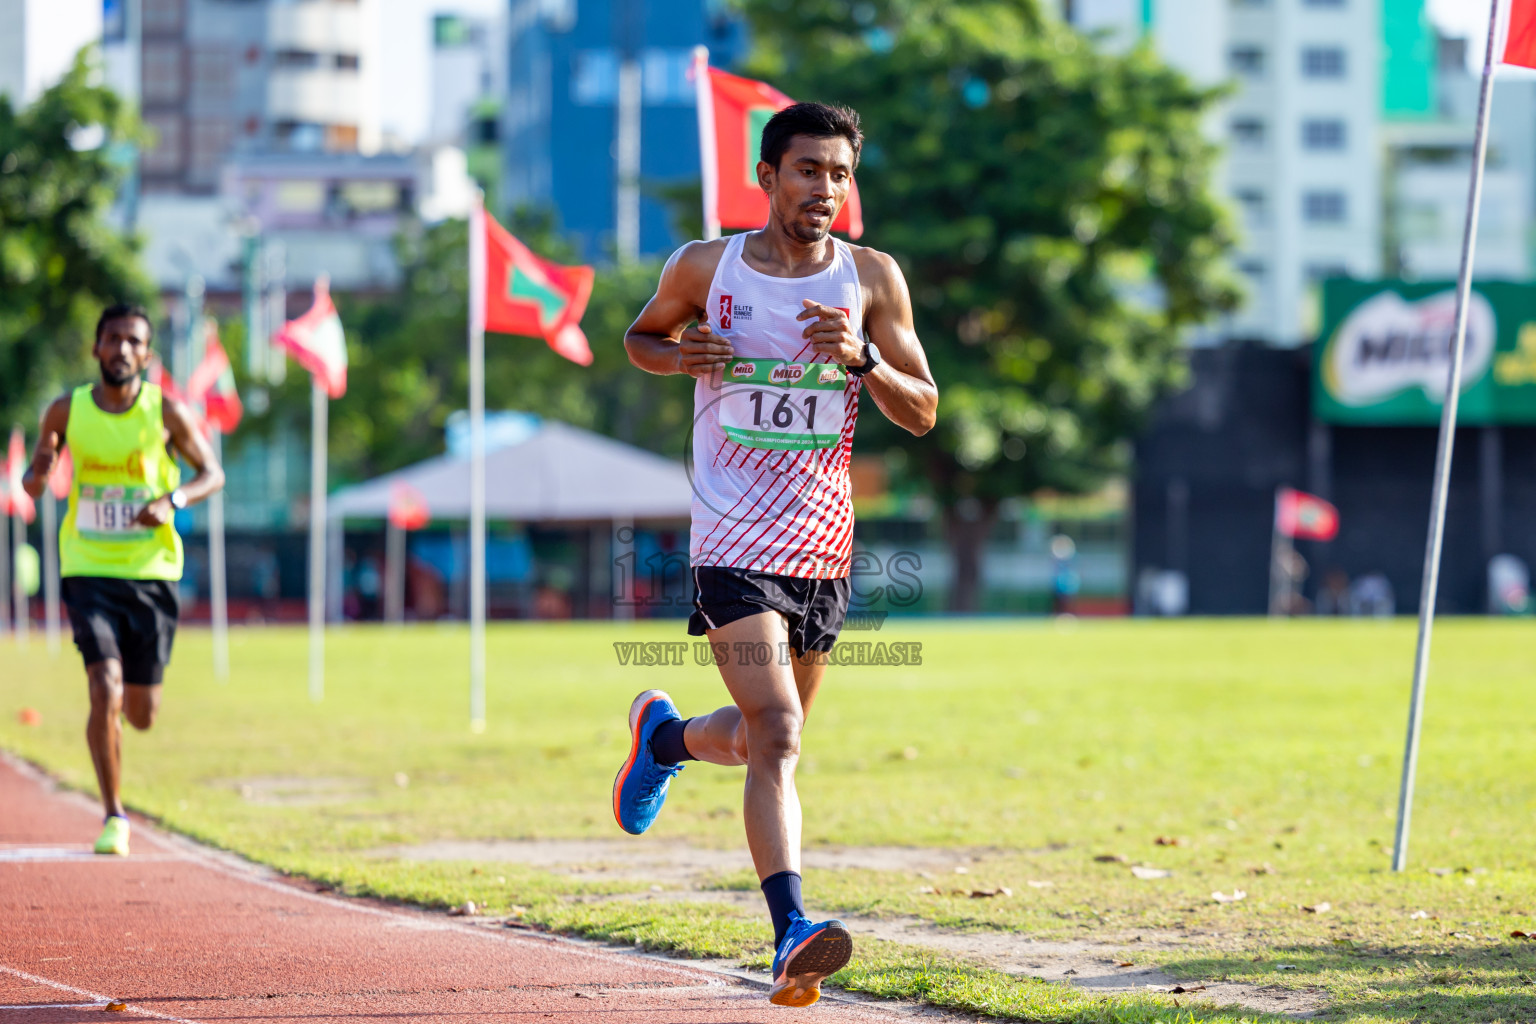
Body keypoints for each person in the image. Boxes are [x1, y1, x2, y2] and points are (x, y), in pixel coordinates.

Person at [614, 102, 937, 1007]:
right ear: (767, 176)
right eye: (806, 171)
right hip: (730, 541)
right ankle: (791, 929)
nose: (823, 190)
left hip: (822, 546)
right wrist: (680, 359)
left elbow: (925, 410)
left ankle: (665, 739)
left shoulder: (871, 279)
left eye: (838, 174)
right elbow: (641, 338)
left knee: (767, 737)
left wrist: (865, 361)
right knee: (782, 733)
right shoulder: (705, 267)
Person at [21, 304, 225, 856]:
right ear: (96, 349)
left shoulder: (167, 413)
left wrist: (173, 499)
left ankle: (124, 724)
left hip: (152, 573)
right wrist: (38, 472)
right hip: (88, 568)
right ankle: (114, 815)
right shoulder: (67, 410)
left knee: (141, 712)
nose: (122, 350)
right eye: (112, 340)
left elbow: (213, 472)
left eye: (133, 341)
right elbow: (37, 474)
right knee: (102, 687)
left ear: (147, 355)